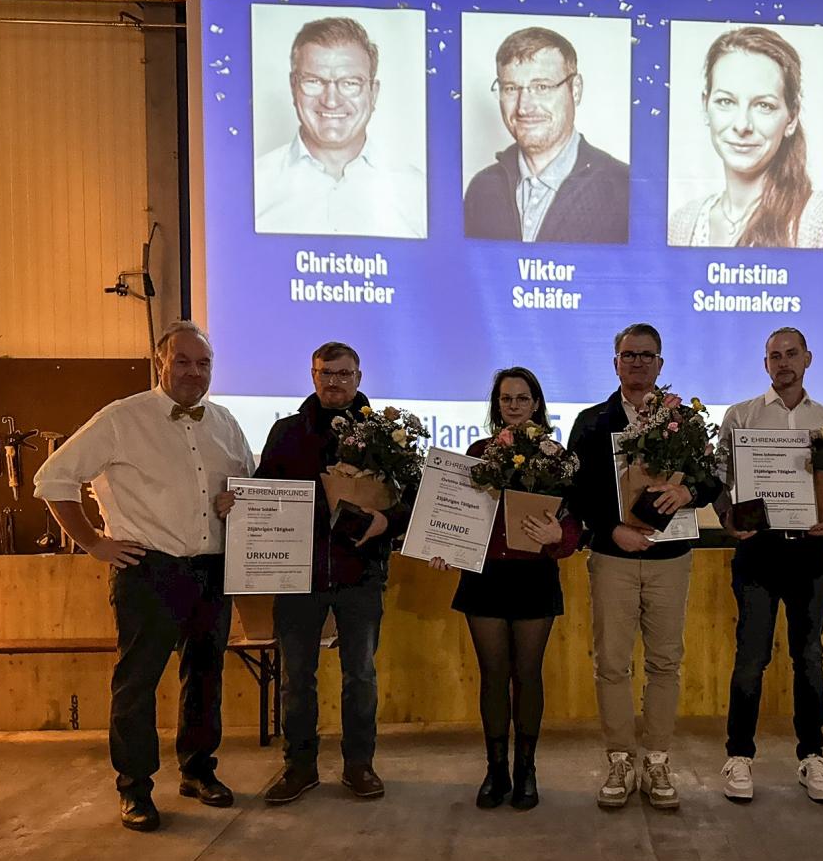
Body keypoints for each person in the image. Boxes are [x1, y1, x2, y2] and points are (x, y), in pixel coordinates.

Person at [33, 321, 254, 832]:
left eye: (203, 363)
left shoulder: (225, 423)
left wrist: (236, 498)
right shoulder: (121, 418)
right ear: (160, 363)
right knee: (137, 684)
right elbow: (53, 479)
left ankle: (198, 771)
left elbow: (244, 485)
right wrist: (93, 542)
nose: (194, 372)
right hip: (148, 569)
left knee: (205, 678)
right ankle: (134, 787)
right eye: (183, 361)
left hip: (212, 570)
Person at [234, 342, 409, 805]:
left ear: (359, 377)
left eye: (343, 373)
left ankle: (359, 765)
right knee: (296, 678)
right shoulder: (287, 432)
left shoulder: (386, 436)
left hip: (361, 575)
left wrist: (386, 522)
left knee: (360, 676)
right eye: (325, 373)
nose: (334, 381)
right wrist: (239, 502)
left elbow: (409, 503)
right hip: (297, 576)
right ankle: (299, 767)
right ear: (313, 376)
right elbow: (264, 492)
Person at [569, 323, 718, 810]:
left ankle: (656, 759)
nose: (637, 362)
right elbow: (577, 492)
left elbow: (713, 479)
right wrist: (612, 529)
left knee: (664, 663)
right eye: (629, 355)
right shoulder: (592, 422)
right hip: (612, 557)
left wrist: (688, 491)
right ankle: (619, 759)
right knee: (612, 663)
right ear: (615, 362)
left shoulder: (686, 422)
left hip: (669, 559)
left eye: (646, 355)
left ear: (661, 363)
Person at [714, 328, 823, 805]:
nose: (783, 363)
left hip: (810, 552)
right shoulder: (741, 416)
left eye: (791, 354)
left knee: (809, 657)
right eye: (774, 356)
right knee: (751, 659)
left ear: (807, 358)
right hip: (757, 550)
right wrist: (725, 516)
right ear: (765, 364)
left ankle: (812, 755)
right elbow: (718, 479)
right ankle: (739, 755)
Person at [428, 368, 581, 811]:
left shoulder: (557, 457)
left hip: (535, 577)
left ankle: (526, 770)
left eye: (522, 398)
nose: (514, 406)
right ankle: (496, 770)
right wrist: (444, 547)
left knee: (527, 675)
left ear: (537, 404)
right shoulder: (478, 454)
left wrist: (559, 536)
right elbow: (457, 515)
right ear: (497, 405)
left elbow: (573, 524)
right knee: (493, 676)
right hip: (486, 577)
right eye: (506, 398)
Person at [254, 16, 427, 238]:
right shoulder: (252, 187)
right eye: (313, 81)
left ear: (373, 94)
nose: (331, 101)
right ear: (293, 87)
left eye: (350, 83)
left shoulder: (419, 193)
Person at [463, 26, 629, 243]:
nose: (524, 107)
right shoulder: (482, 189)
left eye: (541, 87)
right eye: (511, 88)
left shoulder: (626, 189)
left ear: (575, 90)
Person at [669, 26, 823, 249]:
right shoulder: (682, 223)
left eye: (764, 105)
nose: (742, 125)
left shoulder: (820, 218)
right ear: (705, 106)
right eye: (726, 101)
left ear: (791, 118)